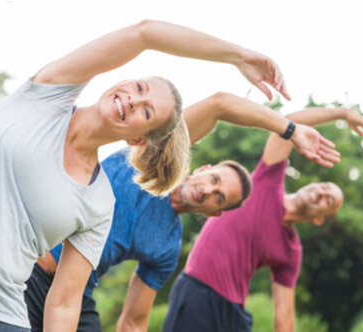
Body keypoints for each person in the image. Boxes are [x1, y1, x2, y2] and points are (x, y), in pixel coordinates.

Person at [0, 20, 300, 331]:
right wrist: (238, 56)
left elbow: (67, 302)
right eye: (140, 87)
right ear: (123, 78)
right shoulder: (47, 95)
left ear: (141, 140)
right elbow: (145, 33)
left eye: (147, 111)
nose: (135, 100)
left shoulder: (101, 201)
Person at [24, 91, 341, 332]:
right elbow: (219, 105)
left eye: (218, 197)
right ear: (202, 168)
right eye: (214, 180)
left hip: (76, 297)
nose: (208, 190)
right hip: (30, 273)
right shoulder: (152, 159)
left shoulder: (166, 248)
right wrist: (290, 129)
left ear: (214, 214)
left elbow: (134, 321)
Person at [162, 105, 363, 332]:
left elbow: (284, 314)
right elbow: (289, 124)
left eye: (329, 201)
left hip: (234, 316)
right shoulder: (267, 180)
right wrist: (341, 114)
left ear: (320, 219)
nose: (322, 193)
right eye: (324, 187)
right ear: (312, 183)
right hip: (198, 292)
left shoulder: (291, 250)